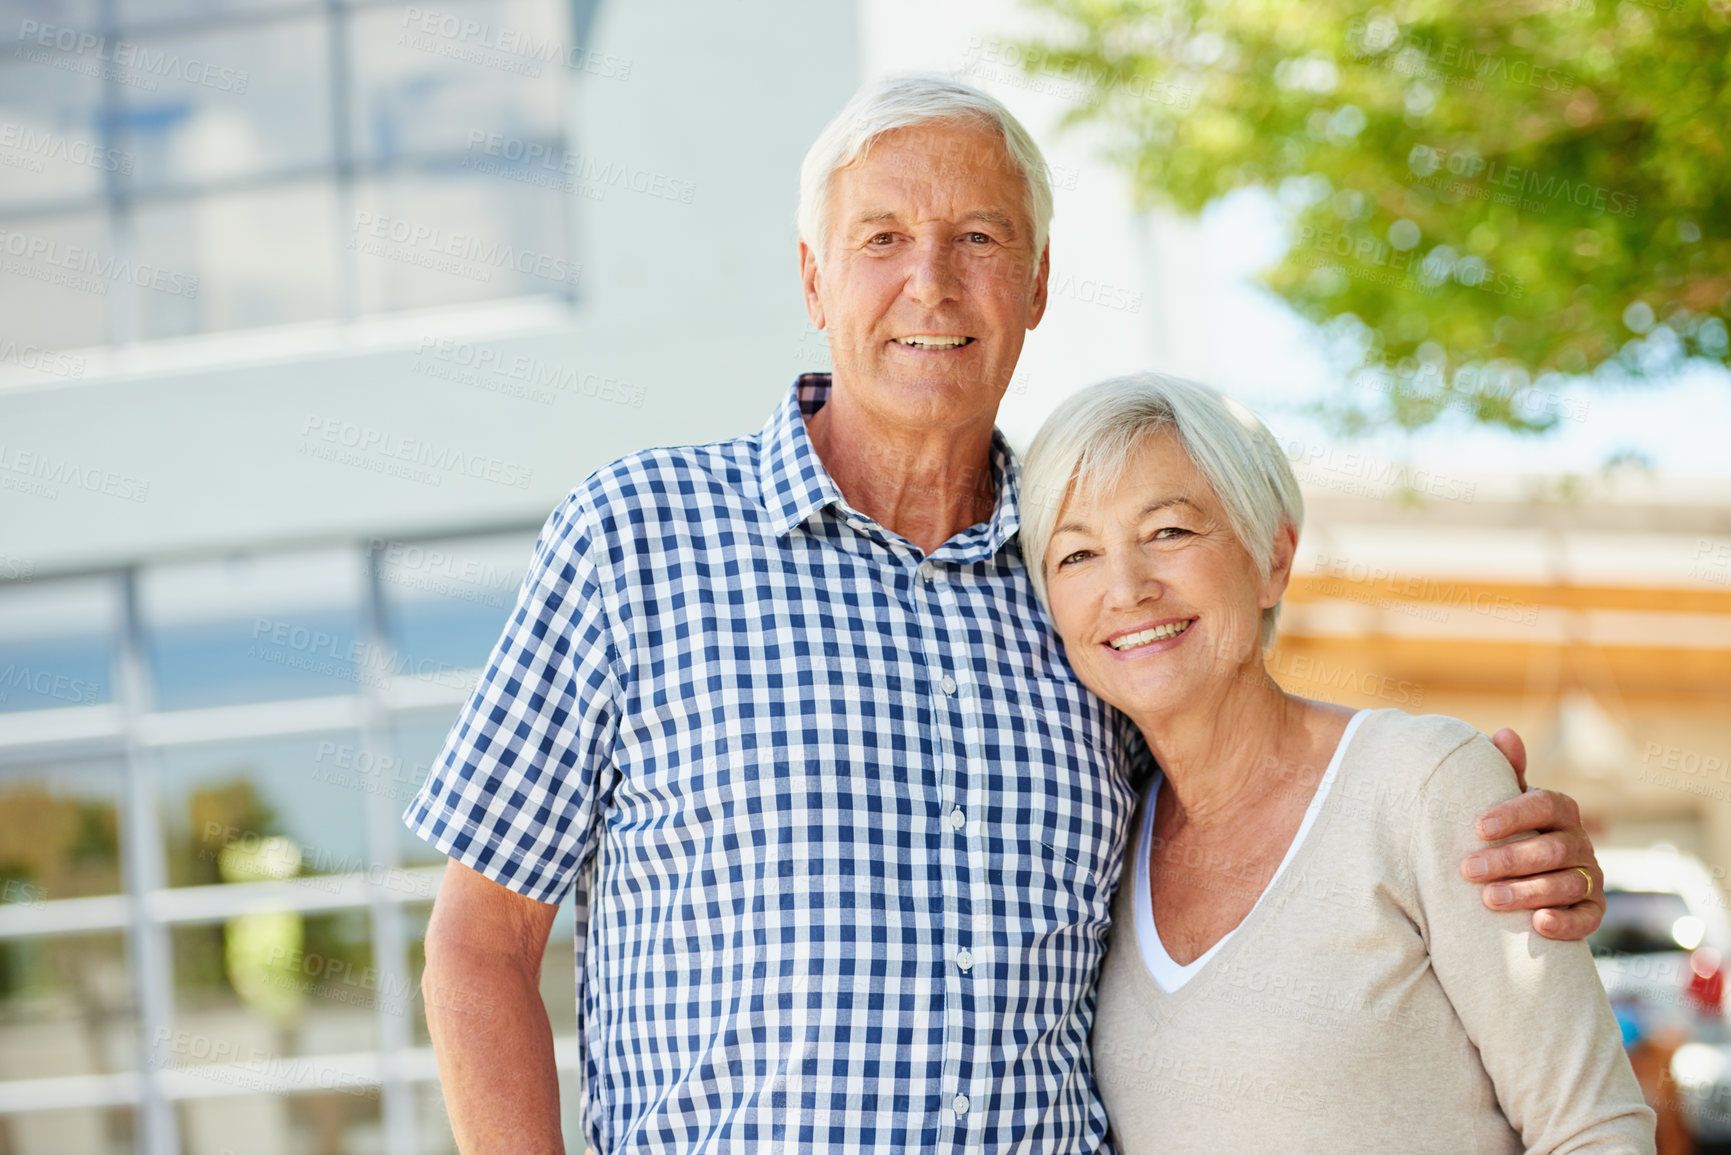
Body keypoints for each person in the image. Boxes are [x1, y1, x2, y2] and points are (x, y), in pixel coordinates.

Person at [404, 75, 1608, 1153]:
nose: (931, 281)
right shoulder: (639, 536)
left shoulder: (1083, 575)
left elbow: (1258, 807)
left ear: (1035, 283)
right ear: (815, 279)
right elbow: (480, 942)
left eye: (978, 236)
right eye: (882, 238)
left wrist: (1472, 843)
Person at [1020, 372, 1653, 1152]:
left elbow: (1593, 1127)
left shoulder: (1422, 782)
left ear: (1271, 555)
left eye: (1169, 532)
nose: (1125, 588)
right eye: (1076, 554)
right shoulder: (1099, 841)